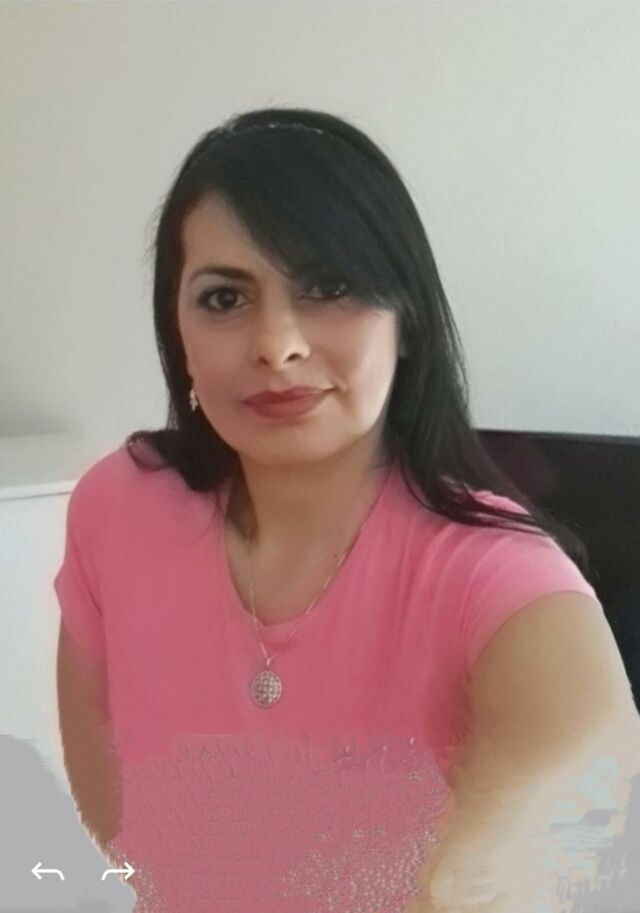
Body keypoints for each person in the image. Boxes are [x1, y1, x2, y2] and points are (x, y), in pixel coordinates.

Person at [54, 107, 640, 913]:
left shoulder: (499, 577)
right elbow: (114, 799)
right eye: (224, 297)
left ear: (408, 323)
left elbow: (585, 771)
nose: (277, 344)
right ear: (178, 334)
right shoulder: (119, 505)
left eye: (329, 287)